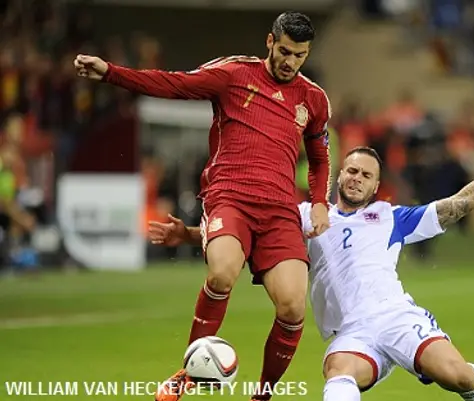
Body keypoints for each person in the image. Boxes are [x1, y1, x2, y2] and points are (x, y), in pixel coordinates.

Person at [150, 119, 474, 400]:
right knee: (337, 374)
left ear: (376, 185)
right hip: (351, 333)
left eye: (366, 175)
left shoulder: (391, 217)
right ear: (338, 176)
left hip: (396, 317)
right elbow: (246, 234)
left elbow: (460, 203)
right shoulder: (306, 215)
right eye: (351, 170)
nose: (356, 177)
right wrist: (185, 234)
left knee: (457, 376)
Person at [74, 12, 332, 401]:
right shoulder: (233, 74)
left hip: (279, 210)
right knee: (223, 273)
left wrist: (320, 203)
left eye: (299, 55)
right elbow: (173, 84)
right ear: (269, 42)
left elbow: (320, 158)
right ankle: (187, 373)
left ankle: (262, 394)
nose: (290, 62)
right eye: (284, 51)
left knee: (294, 307)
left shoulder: (313, 99)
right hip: (230, 195)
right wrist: (111, 72)